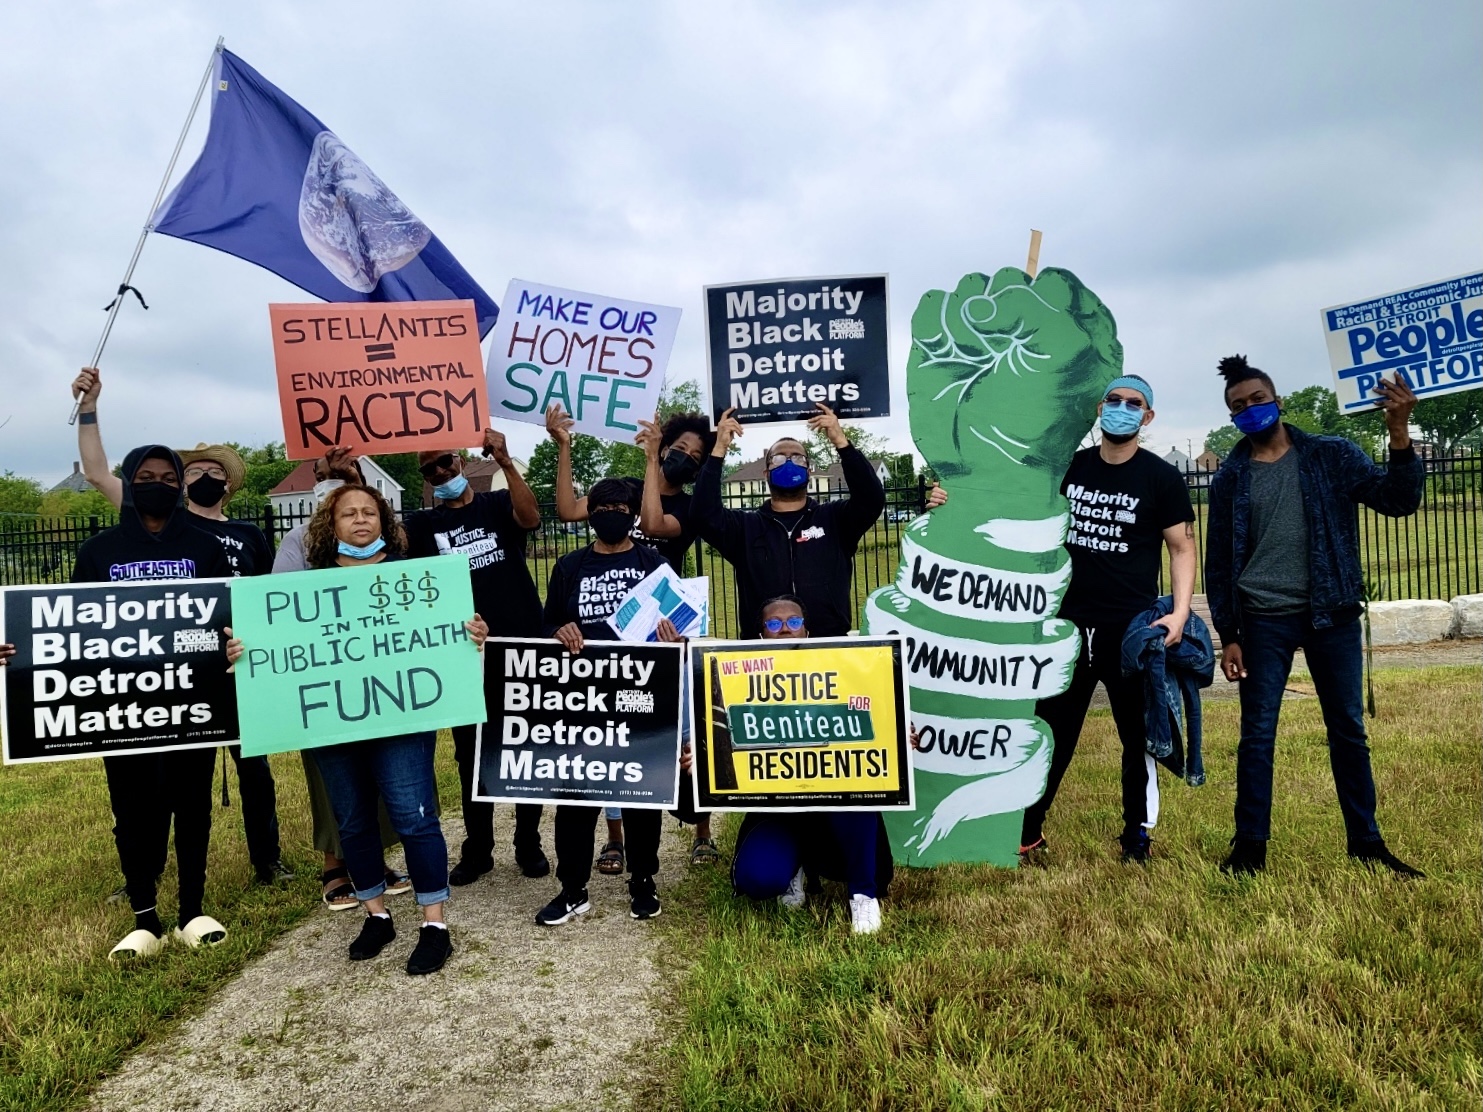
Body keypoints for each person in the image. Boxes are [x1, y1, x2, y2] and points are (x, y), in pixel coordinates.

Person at [228, 484, 487, 974]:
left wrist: (473, 634)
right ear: (332, 524)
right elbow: (273, 648)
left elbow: (449, 634)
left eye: (371, 511)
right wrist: (244, 652)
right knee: (352, 821)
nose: (361, 519)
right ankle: (376, 913)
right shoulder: (307, 586)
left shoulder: (412, 577)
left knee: (415, 817)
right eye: (349, 513)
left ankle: (434, 924)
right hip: (333, 723)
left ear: (385, 522)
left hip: (403, 719)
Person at [71, 367, 292, 888]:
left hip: (238, 662)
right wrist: (88, 407)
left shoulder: (245, 534)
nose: (202, 478)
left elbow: (275, 596)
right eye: (192, 472)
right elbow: (99, 470)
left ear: (229, 483)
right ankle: (141, 875)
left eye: (215, 471)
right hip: (165, 667)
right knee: (151, 775)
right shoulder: (164, 521)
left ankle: (267, 858)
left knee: (253, 767)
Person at [1207, 356, 1425, 877]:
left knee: (1348, 729)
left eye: (1258, 400)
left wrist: (1399, 433)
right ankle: (1250, 848)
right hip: (1263, 619)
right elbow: (1218, 563)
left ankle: (1366, 844)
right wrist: (1229, 634)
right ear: (1232, 416)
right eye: (1238, 407)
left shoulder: (1331, 455)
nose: (1250, 410)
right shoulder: (1230, 477)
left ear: (1278, 401)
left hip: (1333, 614)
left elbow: (1398, 500)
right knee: (1257, 733)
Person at [1018, 374, 1197, 866]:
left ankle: (1136, 835)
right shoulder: (1069, 468)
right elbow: (1014, 503)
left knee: (1138, 736)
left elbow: (1182, 547)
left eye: (1133, 403)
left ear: (1148, 416)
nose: (1122, 408)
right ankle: (1027, 832)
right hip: (1067, 625)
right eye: (1114, 400)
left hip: (1131, 629)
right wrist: (950, 501)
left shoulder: (1161, 477)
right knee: (1051, 733)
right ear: (1099, 408)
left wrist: (1179, 613)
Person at [72, 445, 234, 958]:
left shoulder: (206, 547)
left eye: (169, 477)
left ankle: (192, 910)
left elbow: (227, 614)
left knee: (193, 805)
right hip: (122, 707)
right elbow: (69, 625)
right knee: (131, 808)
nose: (158, 484)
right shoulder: (99, 551)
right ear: (129, 481)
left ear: (180, 485)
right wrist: (19, 652)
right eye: (146, 476)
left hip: (192, 702)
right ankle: (144, 915)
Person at [544, 406, 718, 867]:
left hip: (661, 628)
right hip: (612, 633)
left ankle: (702, 831)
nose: (684, 458)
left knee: (682, 732)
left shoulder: (687, 506)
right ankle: (615, 837)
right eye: (679, 447)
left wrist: (651, 461)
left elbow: (655, 526)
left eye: (693, 456)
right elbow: (567, 510)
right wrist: (565, 448)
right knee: (615, 737)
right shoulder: (622, 495)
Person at [264, 444, 416, 910]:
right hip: (325, 678)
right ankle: (335, 865)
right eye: (343, 503)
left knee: (384, 771)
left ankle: (374, 863)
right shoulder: (301, 542)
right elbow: (279, 605)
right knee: (333, 779)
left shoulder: (392, 550)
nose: (357, 516)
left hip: (382, 678)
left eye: (365, 506)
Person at [404, 432, 549, 885]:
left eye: (445, 462)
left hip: (521, 642)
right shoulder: (423, 524)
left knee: (527, 747)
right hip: (464, 652)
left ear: (462, 460)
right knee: (472, 754)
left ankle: (528, 841)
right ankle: (478, 848)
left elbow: (532, 517)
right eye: (429, 470)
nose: (440, 473)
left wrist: (506, 460)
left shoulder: (494, 506)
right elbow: (387, 552)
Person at [534, 478, 671, 926]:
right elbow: (547, 624)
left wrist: (675, 636)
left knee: (641, 795)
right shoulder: (570, 566)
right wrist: (558, 631)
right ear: (589, 512)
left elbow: (679, 623)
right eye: (602, 506)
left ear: (633, 513)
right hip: (582, 699)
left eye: (620, 506)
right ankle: (572, 888)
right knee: (575, 794)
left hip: (641, 694)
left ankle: (644, 882)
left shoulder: (653, 561)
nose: (611, 512)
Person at [726, 596, 892, 935]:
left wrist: (897, 735)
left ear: (807, 629)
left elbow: (874, 721)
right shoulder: (740, 684)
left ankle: (863, 894)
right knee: (757, 879)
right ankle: (794, 868)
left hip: (835, 803)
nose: (784, 629)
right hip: (778, 810)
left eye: (793, 622)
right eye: (773, 624)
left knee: (857, 797)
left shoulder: (843, 672)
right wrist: (700, 756)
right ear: (761, 636)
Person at [692, 403, 887, 638]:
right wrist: (719, 449)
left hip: (828, 644)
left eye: (797, 457)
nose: (788, 462)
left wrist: (841, 443)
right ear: (766, 474)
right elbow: (703, 514)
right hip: (763, 649)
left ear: (809, 470)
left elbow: (872, 499)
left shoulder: (835, 519)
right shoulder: (745, 528)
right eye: (778, 459)